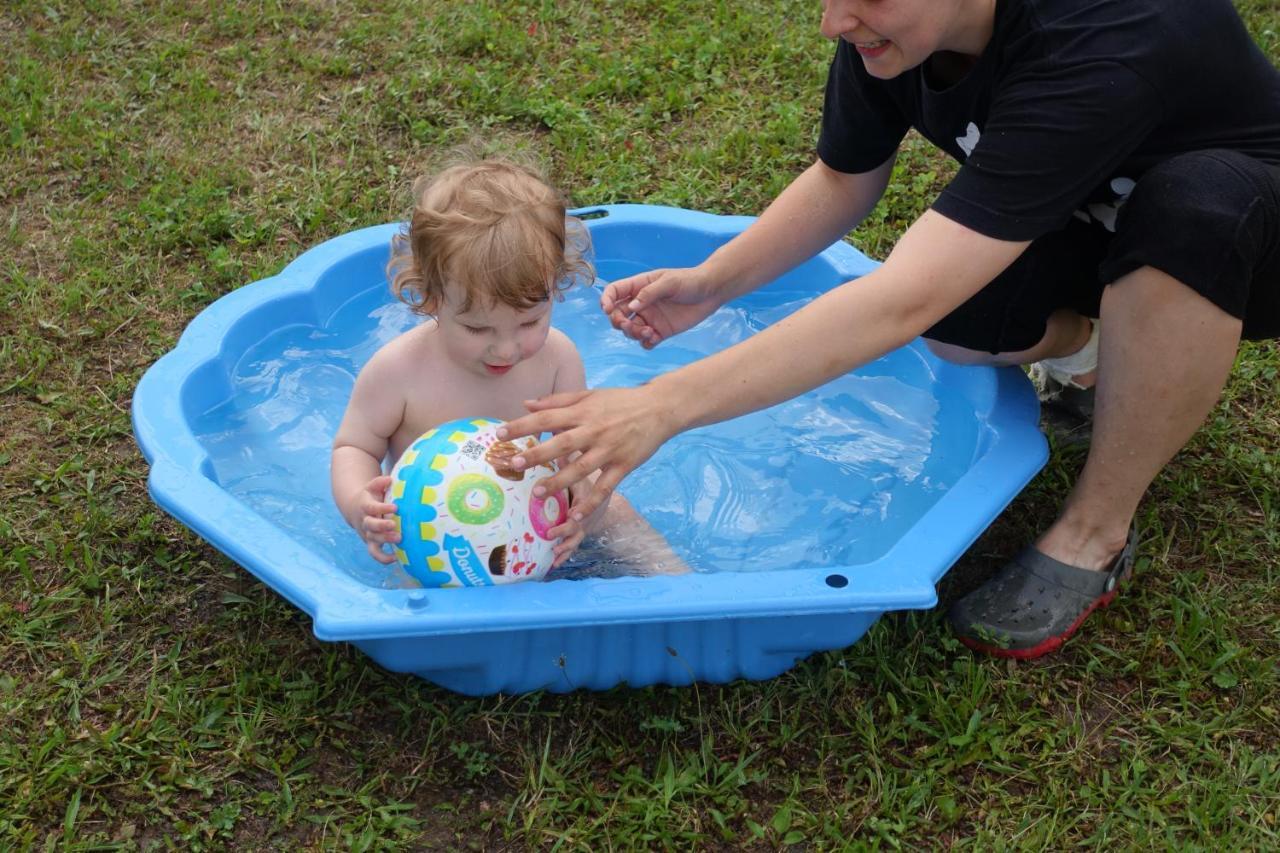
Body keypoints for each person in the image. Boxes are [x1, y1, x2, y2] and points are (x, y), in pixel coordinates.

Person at [498, 0, 1280, 657]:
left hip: (1244, 237)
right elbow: (845, 176)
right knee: (960, 320)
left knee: (1193, 207)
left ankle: (1095, 530)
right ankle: (1097, 354)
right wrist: (714, 282)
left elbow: (901, 297)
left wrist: (660, 406)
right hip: (1094, 216)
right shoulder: (897, 28)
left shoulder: (1111, 37)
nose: (833, 20)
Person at [330, 157, 688, 577]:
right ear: (429, 298)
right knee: (416, 578)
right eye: (476, 328)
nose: (505, 349)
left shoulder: (557, 359)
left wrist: (584, 502)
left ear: (555, 288)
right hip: (442, 537)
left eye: (529, 322)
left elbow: (577, 451)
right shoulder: (397, 372)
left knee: (619, 515)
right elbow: (354, 447)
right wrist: (360, 505)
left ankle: (682, 590)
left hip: (538, 522)